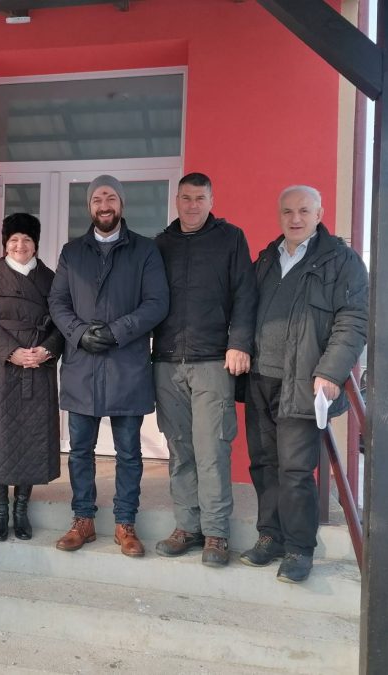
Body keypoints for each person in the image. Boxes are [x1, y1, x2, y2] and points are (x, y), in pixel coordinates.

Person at [241, 185, 368, 583]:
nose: (295, 218)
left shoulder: (342, 260)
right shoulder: (267, 257)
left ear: (319, 214)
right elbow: (246, 308)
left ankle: (299, 549)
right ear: (279, 215)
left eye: (303, 211)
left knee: (296, 469)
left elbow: (354, 320)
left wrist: (331, 372)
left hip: (304, 382)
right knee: (264, 464)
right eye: (287, 211)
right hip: (260, 378)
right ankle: (270, 536)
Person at [48, 175, 169, 557]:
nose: (104, 204)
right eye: (97, 198)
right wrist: (79, 333)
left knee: (129, 452)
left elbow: (156, 303)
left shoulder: (145, 251)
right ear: (89, 206)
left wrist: (117, 332)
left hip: (126, 366)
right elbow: (57, 302)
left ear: (121, 204)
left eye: (111, 197)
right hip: (82, 366)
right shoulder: (72, 252)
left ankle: (124, 523)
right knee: (80, 450)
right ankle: (83, 519)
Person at [153, 172, 257, 567]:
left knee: (211, 449)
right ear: (176, 200)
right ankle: (187, 526)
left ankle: (216, 532)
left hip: (213, 360)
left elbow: (245, 293)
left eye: (200, 198)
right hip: (167, 362)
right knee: (179, 449)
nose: (192, 205)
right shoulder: (161, 244)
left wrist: (239, 343)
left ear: (212, 201)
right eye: (186, 197)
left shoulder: (230, 239)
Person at [0, 213, 63, 542]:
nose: (20, 245)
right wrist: (10, 351)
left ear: (36, 244)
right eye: (14, 240)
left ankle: (21, 509)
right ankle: (0, 511)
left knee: (31, 439)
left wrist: (47, 349)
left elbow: (63, 320)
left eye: (26, 239)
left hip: (38, 367)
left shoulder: (50, 278)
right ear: (5, 244)